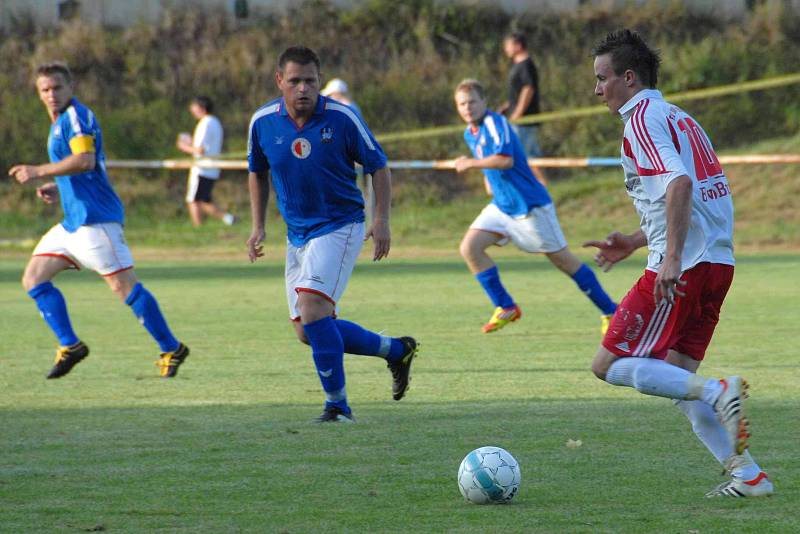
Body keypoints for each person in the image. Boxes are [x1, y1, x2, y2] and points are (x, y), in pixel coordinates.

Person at [586, 29, 773, 497]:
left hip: (683, 266)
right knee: (676, 379)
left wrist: (669, 258)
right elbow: (693, 196)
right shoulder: (678, 117)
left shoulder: (641, 119)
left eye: (602, 78)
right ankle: (747, 475)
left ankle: (719, 391)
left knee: (608, 364)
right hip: (716, 263)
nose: (597, 89)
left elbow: (680, 184)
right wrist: (633, 239)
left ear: (629, 78)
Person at [246, 46, 418, 423]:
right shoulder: (262, 122)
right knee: (309, 331)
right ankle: (396, 350)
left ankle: (337, 406)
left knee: (312, 309)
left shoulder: (342, 118)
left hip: (342, 224)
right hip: (298, 234)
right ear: (280, 82)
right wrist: (258, 225)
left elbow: (379, 166)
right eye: (294, 81)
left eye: (310, 80)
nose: (303, 88)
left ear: (320, 81)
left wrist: (382, 219)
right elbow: (257, 172)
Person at [9, 62, 190, 379]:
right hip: (72, 224)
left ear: (71, 87)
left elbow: (85, 160)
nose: (52, 94)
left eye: (57, 87)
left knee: (124, 288)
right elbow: (86, 168)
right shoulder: (59, 122)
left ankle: (172, 348)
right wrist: (59, 187)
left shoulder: (77, 116)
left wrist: (38, 171)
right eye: (45, 89)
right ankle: (71, 345)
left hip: (96, 223)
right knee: (34, 278)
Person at [453, 79, 617, 334]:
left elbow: (505, 160)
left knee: (564, 262)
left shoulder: (495, 123)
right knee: (470, 248)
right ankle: (505, 306)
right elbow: (489, 162)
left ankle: (612, 311)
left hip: (530, 206)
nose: (467, 107)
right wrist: (487, 178)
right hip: (502, 207)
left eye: (472, 101)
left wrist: (470, 165)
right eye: (462, 103)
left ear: (484, 102)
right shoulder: (469, 133)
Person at [176, 96, 236, 226]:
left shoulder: (206, 123)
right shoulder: (214, 122)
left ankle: (199, 228)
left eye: (194, 106)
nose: (191, 109)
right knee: (203, 200)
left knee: (194, 200)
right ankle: (228, 218)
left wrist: (183, 146)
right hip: (211, 168)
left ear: (201, 108)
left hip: (202, 167)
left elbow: (200, 150)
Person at [497, 32, 547, 182]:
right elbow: (518, 92)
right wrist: (507, 106)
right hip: (519, 119)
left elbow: (528, 89)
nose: (505, 49)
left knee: (523, 155)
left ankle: (540, 186)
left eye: (508, 45)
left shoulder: (526, 64)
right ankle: (543, 185)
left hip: (524, 120)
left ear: (518, 46)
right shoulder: (517, 65)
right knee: (531, 155)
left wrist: (517, 113)